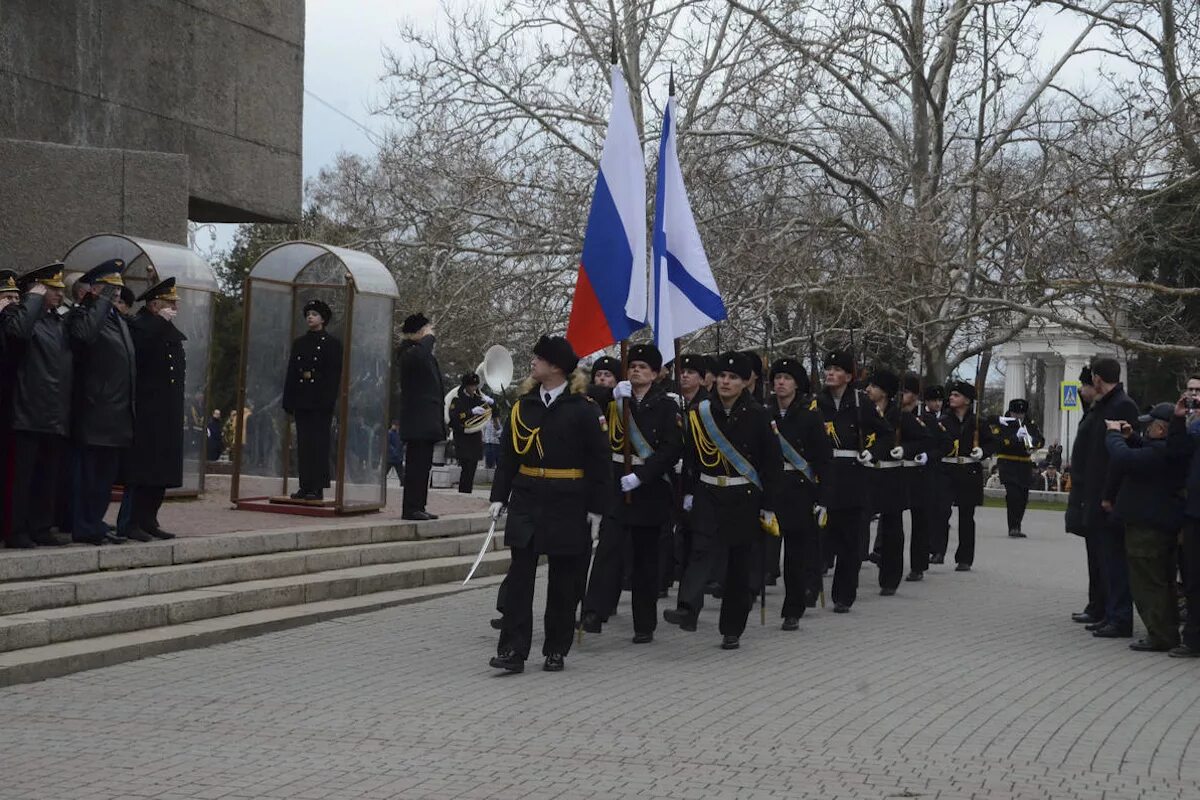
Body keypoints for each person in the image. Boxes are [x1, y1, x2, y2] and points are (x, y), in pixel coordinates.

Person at [488, 335, 609, 673]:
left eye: (538, 358)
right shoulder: (523, 406)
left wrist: (597, 508)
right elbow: (509, 455)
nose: (532, 363)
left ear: (556, 366)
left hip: (568, 499)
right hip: (528, 496)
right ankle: (513, 649)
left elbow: (600, 461)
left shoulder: (583, 410)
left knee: (563, 580)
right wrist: (498, 496)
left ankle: (556, 647)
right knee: (520, 577)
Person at [664, 351, 781, 649]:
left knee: (738, 564)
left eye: (733, 378)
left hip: (743, 495)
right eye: (722, 377)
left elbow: (771, 463)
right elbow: (691, 455)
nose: (726, 382)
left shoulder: (758, 415)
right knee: (700, 552)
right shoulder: (701, 412)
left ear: (745, 382)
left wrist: (769, 505)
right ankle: (688, 609)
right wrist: (688, 491)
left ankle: (732, 628)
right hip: (707, 493)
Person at [580, 343, 682, 643]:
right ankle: (593, 612)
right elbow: (586, 397)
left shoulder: (666, 406)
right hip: (616, 485)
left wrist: (642, 475)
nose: (636, 370)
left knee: (645, 560)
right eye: (633, 365)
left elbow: (672, 448)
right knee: (608, 550)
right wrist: (611, 394)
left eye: (643, 367)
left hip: (648, 489)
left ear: (655, 374)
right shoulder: (615, 398)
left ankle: (644, 623)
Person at [1, 263, 73, 548]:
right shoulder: (22, 316)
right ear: (37, 289)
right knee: (23, 476)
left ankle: (41, 526)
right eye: (52, 288)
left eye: (59, 289)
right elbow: (17, 334)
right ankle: (17, 530)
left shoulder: (56, 321)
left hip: (53, 409)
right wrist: (31, 298)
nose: (59, 294)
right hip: (27, 409)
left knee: (47, 475)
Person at [1105, 403, 1185, 652]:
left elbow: (1124, 458)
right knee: (1162, 581)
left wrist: (1114, 435)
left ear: (1161, 429)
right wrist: (1133, 437)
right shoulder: (1168, 450)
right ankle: (1164, 632)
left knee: (1148, 583)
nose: (1146, 429)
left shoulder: (1160, 453)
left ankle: (1160, 635)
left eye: (1150, 425)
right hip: (1159, 525)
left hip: (1148, 527)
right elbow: (1145, 450)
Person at [815, 349, 890, 612]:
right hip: (824, 474)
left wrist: (873, 452)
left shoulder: (861, 402)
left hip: (853, 476)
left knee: (849, 542)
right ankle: (809, 588)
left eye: (836, 369)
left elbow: (885, 434)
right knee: (819, 538)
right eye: (827, 369)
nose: (830, 373)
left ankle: (844, 596)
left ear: (848, 376)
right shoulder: (816, 402)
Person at [67, 258, 134, 546]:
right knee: (88, 475)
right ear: (94, 289)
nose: (116, 293)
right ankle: (83, 525)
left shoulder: (115, 318)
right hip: (94, 410)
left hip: (117, 412)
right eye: (110, 287)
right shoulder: (83, 315)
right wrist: (100, 302)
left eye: (118, 288)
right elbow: (84, 337)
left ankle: (96, 521)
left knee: (105, 477)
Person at [1075, 357, 1140, 639]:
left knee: (1114, 561)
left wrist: (1108, 494)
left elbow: (1119, 456)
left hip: (1110, 495)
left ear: (1098, 378)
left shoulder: (1122, 405)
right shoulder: (1103, 405)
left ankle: (1119, 617)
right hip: (1096, 492)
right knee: (1103, 558)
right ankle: (1107, 611)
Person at [765, 356, 831, 629]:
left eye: (787, 378)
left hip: (799, 490)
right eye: (777, 377)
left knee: (795, 554)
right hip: (769, 487)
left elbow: (823, 459)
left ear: (797, 384)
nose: (780, 382)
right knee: (761, 549)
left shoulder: (809, 415)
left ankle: (793, 608)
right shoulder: (763, 412)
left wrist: (823, 498)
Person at [122, 278, 187, 541]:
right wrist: (160, 321)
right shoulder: (143, 326)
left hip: (167, 409)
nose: (174, 308)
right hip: (147, 409)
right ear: (154, 305)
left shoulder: (167, 330)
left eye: (174, 303)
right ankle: (131, 521)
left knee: (162, 469)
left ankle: (149, 518)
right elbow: (142, 352)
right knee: (143, 469)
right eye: (169, 303)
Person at [865, 369, 927, 596]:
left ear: (885, 392)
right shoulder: (863, 412)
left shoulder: (900, 416)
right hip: (867, 475)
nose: (868, 390)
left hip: (891, 475)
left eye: (874, 386)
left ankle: (890, 578)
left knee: (892, 530)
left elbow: (924, 439)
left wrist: (906, 449)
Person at [282, 299, 342, 502]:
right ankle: (304, 484)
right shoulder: (300, 343)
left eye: (314, 314)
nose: (310, 317)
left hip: (320, 401)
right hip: (303, 399)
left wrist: (328, 401)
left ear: (323, 319)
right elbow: (292, 372)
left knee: (319, 445)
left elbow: (334, 375)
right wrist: (289, 400)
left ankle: (317, 487)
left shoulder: (332, 344)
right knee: (304, 445)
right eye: (308, 314)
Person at [938, 380, 998, 571]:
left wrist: (983, 452)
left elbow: (993, 443)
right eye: (952, 395)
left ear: (967, 400)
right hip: (947, 471)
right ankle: (938, 550)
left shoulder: (978, 422)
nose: (951, 398)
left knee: (966, 516)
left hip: (969, 471)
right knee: (941, 512)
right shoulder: (943, 421)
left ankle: (964, 558)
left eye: (956, 395)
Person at [396, 312, 446, 521]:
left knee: (423, 466)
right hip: (417, 421)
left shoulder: (422, 354)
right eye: (426, 330)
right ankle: (411, 507)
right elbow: (420, 355)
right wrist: (428, 337)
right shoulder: (408, 352)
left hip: (426, 420)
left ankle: (419, 504)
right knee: (416, 466)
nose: (430, 333)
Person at [903, 375, 946, 582]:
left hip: (921, 474)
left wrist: (928, 456)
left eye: (907, 392)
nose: (902, 396)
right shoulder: (892, 417)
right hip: (898, 474)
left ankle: (918, 565)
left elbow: (944, 445)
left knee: (920, 521)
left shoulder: (927, 420)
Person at [1167, 389, 1200, 657]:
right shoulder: (1193, 429)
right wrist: (1178, 420)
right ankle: (1193, 638)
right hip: (1193, 513)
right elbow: (1178, 453)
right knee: (1191, 578)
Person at [995, 398, 1045, 538]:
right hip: (1007, 463)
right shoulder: (1003, 423)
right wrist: (1014, 438)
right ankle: (1013, 527)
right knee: (1013, 495)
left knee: (1023, 496)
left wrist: (1032, 440)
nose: (1018, 416)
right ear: (1010, 412)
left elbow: (1040, 440)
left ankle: (1018, 523)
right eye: (1016, 413)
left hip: (1024, 464)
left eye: (1021, 414)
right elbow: (998, 442)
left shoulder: (1030, 424)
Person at [447, 372, 494, 494]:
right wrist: (470, 412)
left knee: (472, 466)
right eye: (471, 386)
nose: (474, 388)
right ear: (465, 386)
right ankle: (463, 492)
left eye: (475, 386)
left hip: (475, 436)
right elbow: (454, 418)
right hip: (462, 436)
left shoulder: (478, 398)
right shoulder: (457, 399)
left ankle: (467, 492)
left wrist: (492, 403)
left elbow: (492, 412)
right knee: (466, 466)